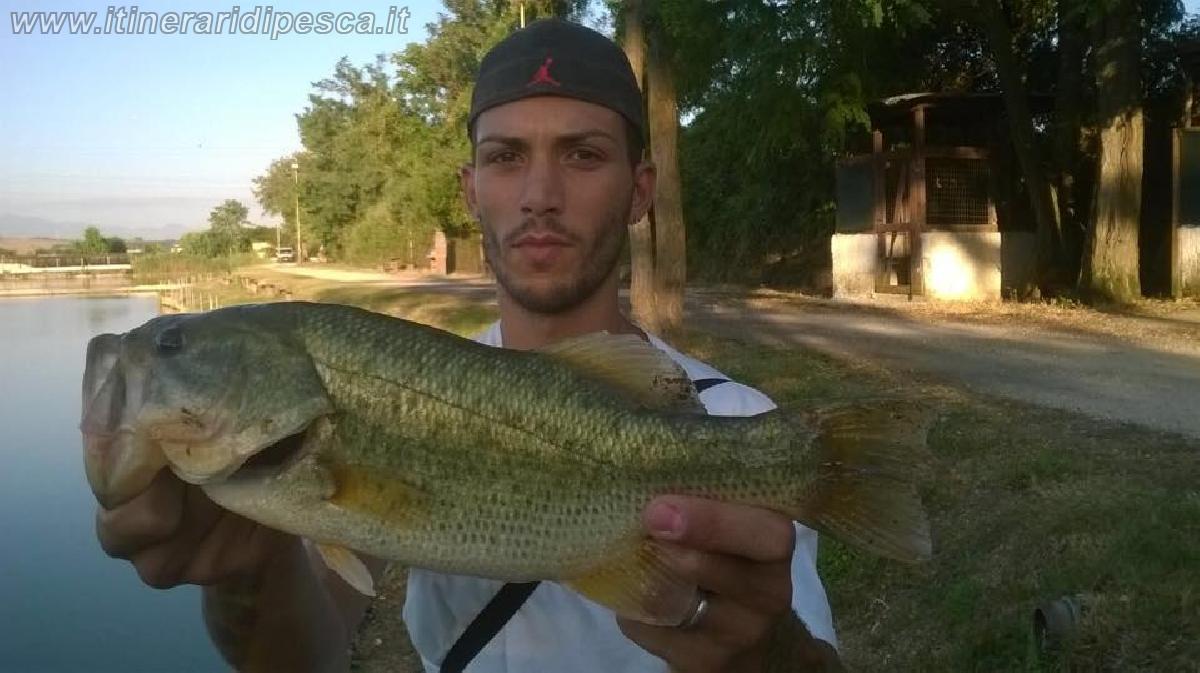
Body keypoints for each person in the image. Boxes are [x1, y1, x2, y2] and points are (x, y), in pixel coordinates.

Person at [93, 18, 844, 673]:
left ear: (641, 190)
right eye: (506, 157)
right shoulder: (395, 395)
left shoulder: (744, 424)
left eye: (582, 154)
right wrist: (245, 574)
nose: (538, 193)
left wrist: (766, 654)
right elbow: (307, 659)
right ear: (470, 188)